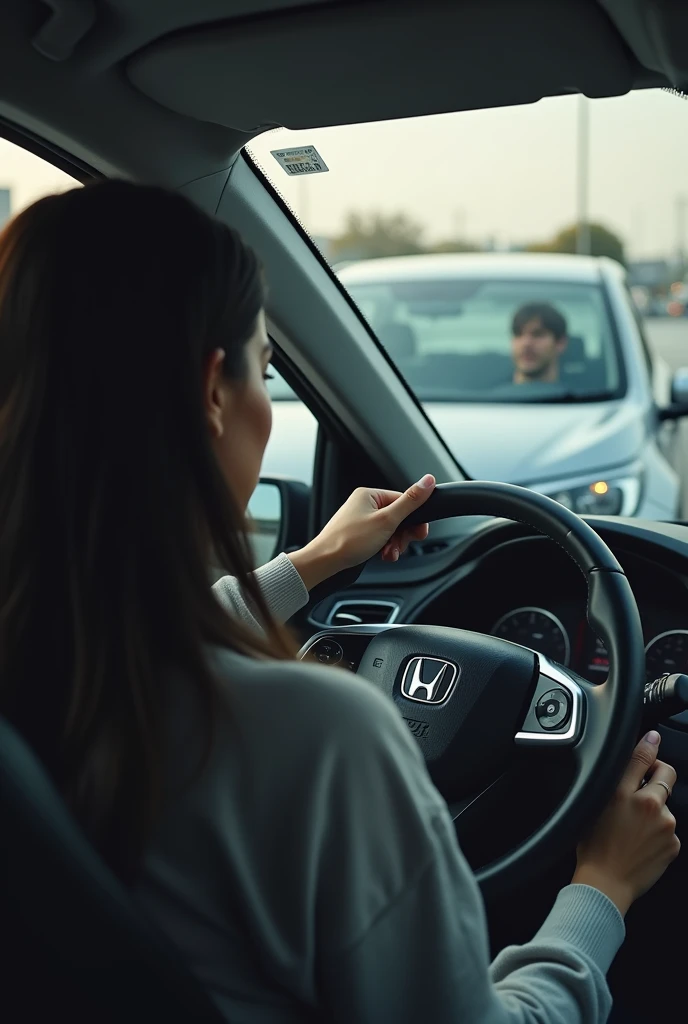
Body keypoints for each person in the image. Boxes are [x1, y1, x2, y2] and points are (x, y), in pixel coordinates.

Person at [0, 180, 679, 1024]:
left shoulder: (48, 656)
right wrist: (603, 888)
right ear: (214, 390)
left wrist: (314, 562)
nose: (265, 395)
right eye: (265, 367)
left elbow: (146, 635)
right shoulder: (313, 735)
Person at [511, 301, 569, 384]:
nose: (526, 343)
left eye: (537, 334)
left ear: (561, 343)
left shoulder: (585, 393)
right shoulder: (491, 394)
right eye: (518, 334)